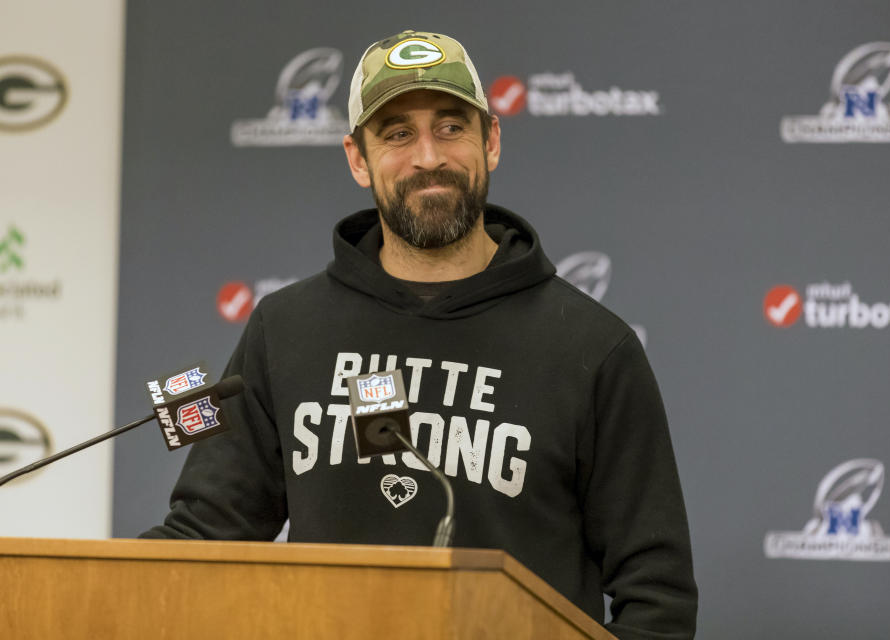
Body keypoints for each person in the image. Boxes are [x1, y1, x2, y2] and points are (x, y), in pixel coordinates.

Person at [144, 30, 698, 639]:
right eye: (398, 134)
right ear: (358, 158)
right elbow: (202, 541)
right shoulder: (286, 329)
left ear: (491, 142)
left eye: (452, 127)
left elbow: (657, 600)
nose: (428, 156)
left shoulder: (593, 348)